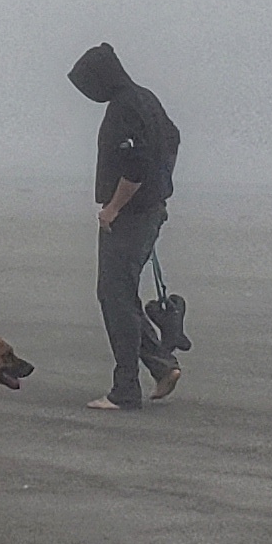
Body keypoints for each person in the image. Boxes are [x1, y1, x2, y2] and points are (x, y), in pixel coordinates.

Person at [70, 42, 181, 411]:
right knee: (120, 294)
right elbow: (173, 138)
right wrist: (159, 188)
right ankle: (161, 365)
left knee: (115, 296)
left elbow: (134, 165)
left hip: (130, 216)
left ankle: (125, 389)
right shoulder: (145, 98)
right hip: (150, 211)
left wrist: (114, 208)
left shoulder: (123, 108)